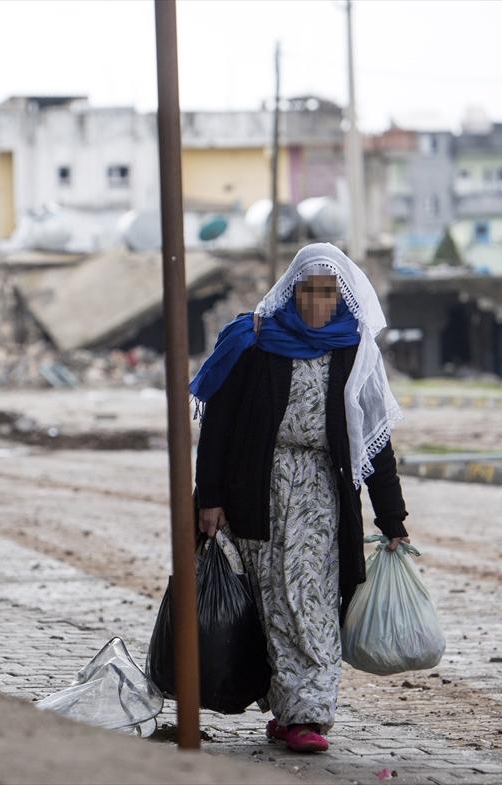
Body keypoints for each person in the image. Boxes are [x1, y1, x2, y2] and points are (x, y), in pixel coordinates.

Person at [190, 243, 410, 754]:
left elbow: (374, 442)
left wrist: (392, 518)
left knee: (310, 600)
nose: (318, 302)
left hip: (322, 494)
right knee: (272, 604)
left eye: (329, 292)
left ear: (342, 297)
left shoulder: (353, 350)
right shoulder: (257, 342)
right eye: (310, 290)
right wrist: (211, 498)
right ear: (293, 290)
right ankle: (286, 705)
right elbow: (218, 428)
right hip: (257, 493)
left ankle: (308, 714)